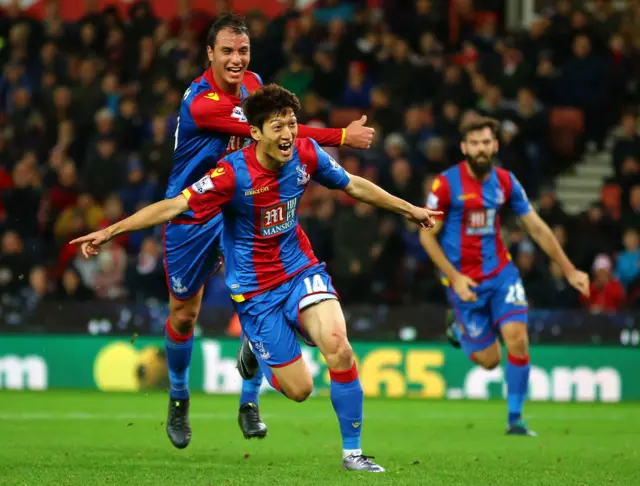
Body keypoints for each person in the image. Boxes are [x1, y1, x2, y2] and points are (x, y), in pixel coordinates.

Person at [71, 84, 441, 471]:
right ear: (256, 132)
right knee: (300, 390)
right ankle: (253, 351)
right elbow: (175, 205)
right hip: (255, 291)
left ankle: (353, 454)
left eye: (293, 124)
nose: (288, 134)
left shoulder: (306, 153)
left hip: (300, 269)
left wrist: (408, 209)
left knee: (340, 347)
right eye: (277, 126)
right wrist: (110, 231)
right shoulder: (231, 174)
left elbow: (353, 184)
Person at [163, 14, 375, 447]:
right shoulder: (202, 102)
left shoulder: (254, 83)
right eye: (227, 51)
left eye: (243, 51)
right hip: (195, 212)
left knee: (262, 289)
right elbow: (276, 132)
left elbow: (280, 128)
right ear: (209, 54)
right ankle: (179, 397)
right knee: (184, 315)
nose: (237, 59)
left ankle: (249, 397)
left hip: (244, 203)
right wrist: (340, 136)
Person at [420, 117, 590, 436]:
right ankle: (458, 326)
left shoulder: (505, 182)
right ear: (464, 147)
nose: (481, 149)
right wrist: (454, 278)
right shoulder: (445, 184)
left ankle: (515, 419)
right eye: (474, 143)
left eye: (486, 142)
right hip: (463, 281)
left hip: (501, 274)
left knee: (517, 337)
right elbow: (427, 236)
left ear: (495, 145)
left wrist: (569, 270)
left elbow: (536, 226)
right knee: (489, 361)